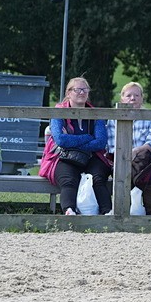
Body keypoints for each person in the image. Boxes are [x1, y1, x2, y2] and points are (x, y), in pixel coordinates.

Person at [46, 77, 111, 215]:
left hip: (92, 156)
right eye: (77, 89)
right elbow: (61, 140)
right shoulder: (59, 112)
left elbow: (100, 142)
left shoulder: (95, 113)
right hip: (64, 155)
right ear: (68, 93)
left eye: (84, 89)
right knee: (68, 179)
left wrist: (73, 141)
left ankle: (107, 212)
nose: (82, 92)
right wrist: (87, 137)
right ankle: (69, 210)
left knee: (98, 177)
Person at [106, 82, 151, 215]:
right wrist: (125, 156)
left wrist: (135, 151)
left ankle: (149, 213)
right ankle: (122, 211)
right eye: (129, 95)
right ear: (122, 98)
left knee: (150, 173)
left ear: (142, 98)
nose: (133, 98)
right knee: (121, 170)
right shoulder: (113, 119)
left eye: (136, 95)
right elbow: (111, 145)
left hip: (144, 159)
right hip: (120, 159)